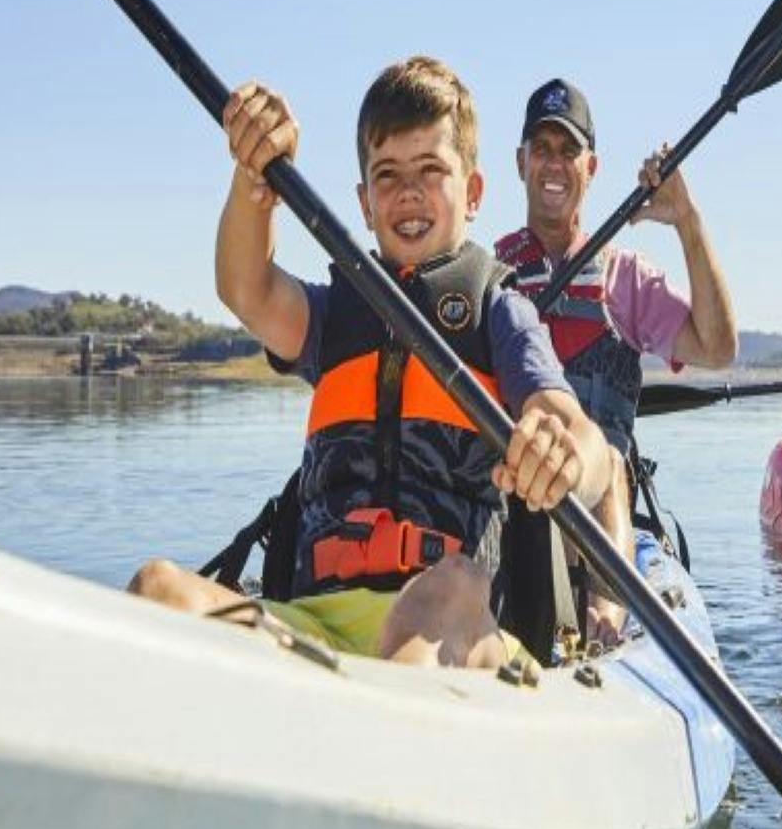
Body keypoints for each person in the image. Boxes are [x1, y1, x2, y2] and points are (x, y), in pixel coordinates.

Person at [127, 57, 615, 668]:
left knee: (444, 593)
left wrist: (566, 454)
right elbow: (245, 287)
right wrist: (255, 179)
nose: (408, 191)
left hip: (456, 623)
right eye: (387, 175)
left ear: (474, 193)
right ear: (363, 203)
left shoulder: (501, 312)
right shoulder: (335, 316)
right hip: (315, 622)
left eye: (432, 169)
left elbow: (576, 431)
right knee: (158, 590)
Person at [493, 78, 737, 643]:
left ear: (591, 168)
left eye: (568, 152)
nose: (555, 165)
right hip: (514, 495)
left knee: (608, 463)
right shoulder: (490, 277)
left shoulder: (624, 277)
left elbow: (719, 348)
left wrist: (687, 221)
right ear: (521, 161)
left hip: (600, 503)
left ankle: (604, 624)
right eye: (542, 150)